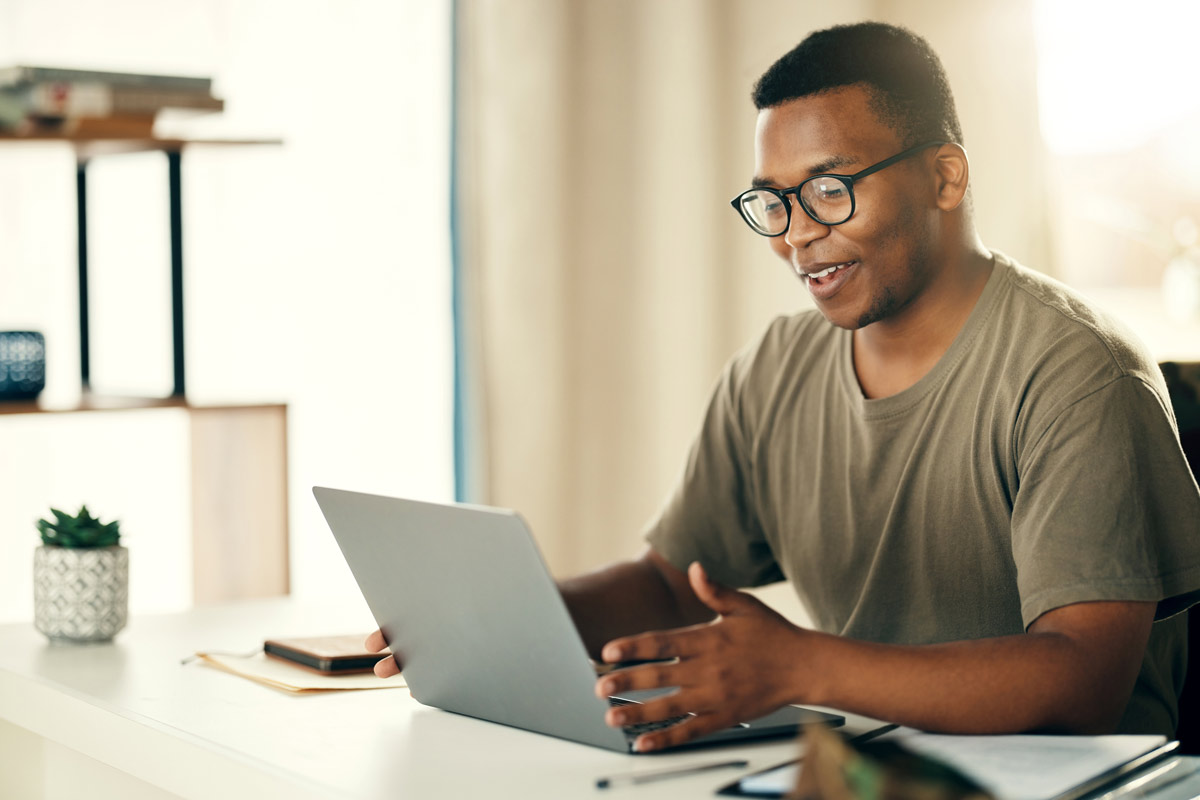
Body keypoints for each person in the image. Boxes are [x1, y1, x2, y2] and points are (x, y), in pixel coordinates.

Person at [368, 21, 1200, 751]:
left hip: (1076, 781)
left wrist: (802, 665)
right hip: (865, 771)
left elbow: (1083, 680)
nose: (796, 235)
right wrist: (495, 621)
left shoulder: (1079, 373)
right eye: (773, 202)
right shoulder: (774, 369)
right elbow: (670, 584)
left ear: (945, 178)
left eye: (830, 191)